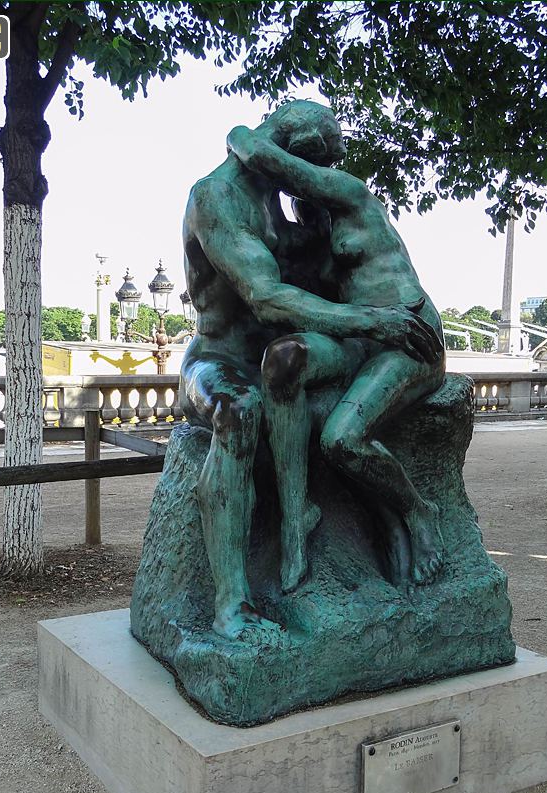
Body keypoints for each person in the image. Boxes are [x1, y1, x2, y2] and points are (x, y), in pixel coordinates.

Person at [181, 100, 441, 639]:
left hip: (289, 355)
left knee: (295, 382)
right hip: (220, 361)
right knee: (239, 410)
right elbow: (267, 298)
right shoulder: (216, 198)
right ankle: (232, 605)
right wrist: (372, 320)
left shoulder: (285, 206)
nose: (316, 181)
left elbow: (325, 278)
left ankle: (318, 524)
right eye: (320, 159)